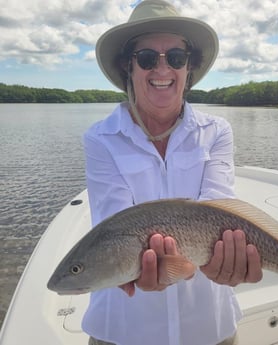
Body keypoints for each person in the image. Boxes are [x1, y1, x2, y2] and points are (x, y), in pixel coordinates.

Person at [82, 1, 263, 344]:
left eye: (176, 57)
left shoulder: (218, 131)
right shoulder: (100, 138)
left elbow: (219, 210)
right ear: (129, 66)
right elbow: (116, 230)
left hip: (209, 328)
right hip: (123, 330)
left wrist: (231, 256)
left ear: (189, 66)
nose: (162, 69)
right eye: (148, 58)